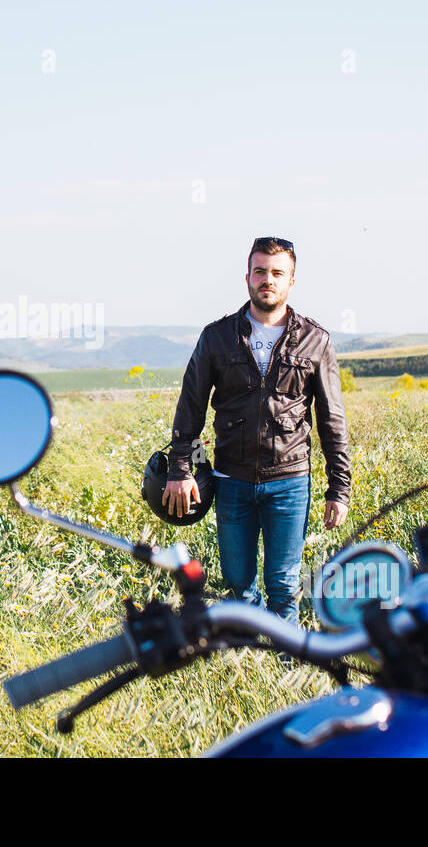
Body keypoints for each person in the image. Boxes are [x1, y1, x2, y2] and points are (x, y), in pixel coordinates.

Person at [162, 237, 351, 624]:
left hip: (290, 481)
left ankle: (285, 670)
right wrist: (180, 469)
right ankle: (252, 660)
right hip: (231, 479)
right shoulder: (216, 337)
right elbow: (191, 408)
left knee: (283, 585)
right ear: (247, 277)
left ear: (291, 281)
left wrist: (340, 488)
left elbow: (332, 421)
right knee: (238, 584)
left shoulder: (316, 341)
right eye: (261, 271)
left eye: (277, 273)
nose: (268, 279)